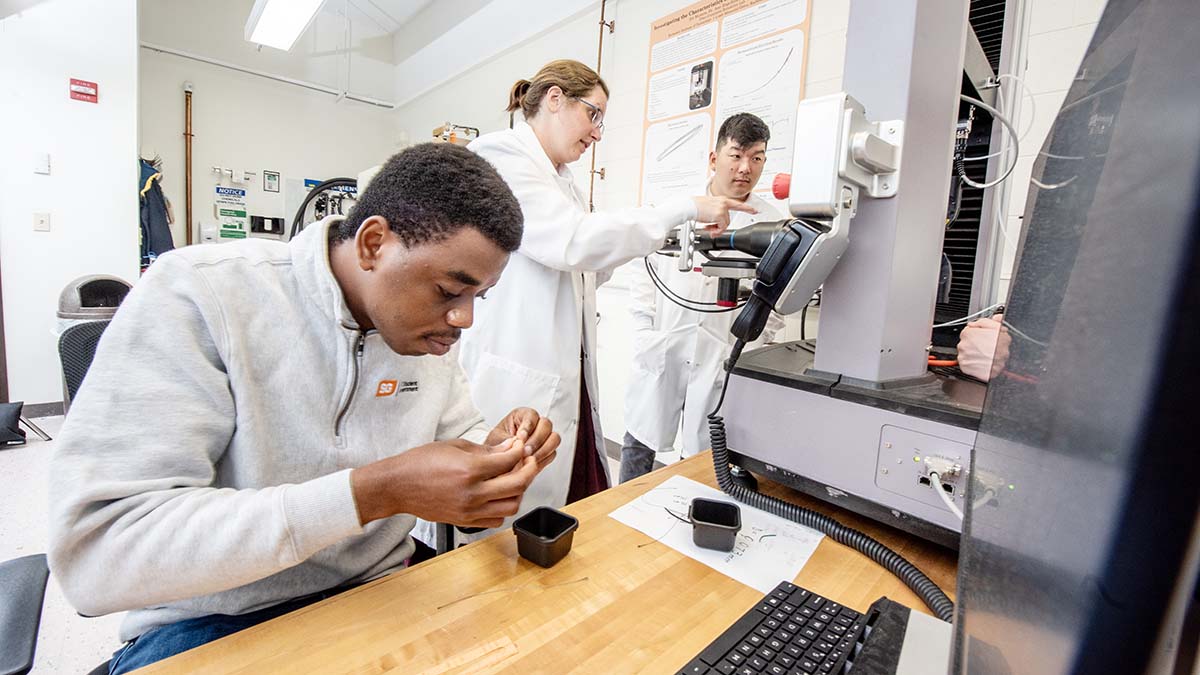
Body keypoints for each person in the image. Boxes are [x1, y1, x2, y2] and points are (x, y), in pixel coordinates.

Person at [47, 143, 562, 674]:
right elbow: (97, 556)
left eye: (481, 295)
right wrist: (369, 494)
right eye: (450, 290)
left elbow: (459, 432)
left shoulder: (423, 334)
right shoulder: (201, 294)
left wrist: (495, 450)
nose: (465, 318)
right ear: (374, 244)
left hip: (380, 586)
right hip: (218, 618)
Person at [435, 59, 754, 545]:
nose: (598, 133)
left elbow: (583, 267)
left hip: (565, 377)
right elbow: (569, 242)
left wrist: (652, 239)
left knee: (557, 516)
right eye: (594, 115)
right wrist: (681, 208)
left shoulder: (561, 180)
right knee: (499, 535)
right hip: (517, 371)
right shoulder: (501, 157)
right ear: (556, 99)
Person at [620, 113, 788, 482]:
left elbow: (777, 299)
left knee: (704, 455)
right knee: (639, 439)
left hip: (721, 353)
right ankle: (620, 511)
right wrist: (645, 331)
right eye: (736, 155)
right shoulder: (678, 208)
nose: (746, 168)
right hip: (663, 344)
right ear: (714, 159)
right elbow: (642, 273)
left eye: (757, 158)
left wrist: (752, 346)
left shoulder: (773, 222)